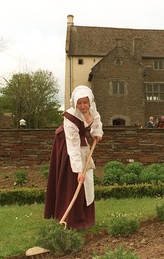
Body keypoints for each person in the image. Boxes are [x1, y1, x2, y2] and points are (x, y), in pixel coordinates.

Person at [44, 86, 103, 230]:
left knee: (86, 181)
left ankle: (84, 217)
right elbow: (73, 146)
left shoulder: (92, 108)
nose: (83, 106)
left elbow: (96, 120)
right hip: (66, 146)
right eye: (79, 103)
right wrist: (78, 171)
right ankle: (70, 219)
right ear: (75, 103)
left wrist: (97, 132)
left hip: (80, 142)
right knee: (71, 180)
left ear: (89, 101)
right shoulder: (70, 117)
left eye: (85, 102)